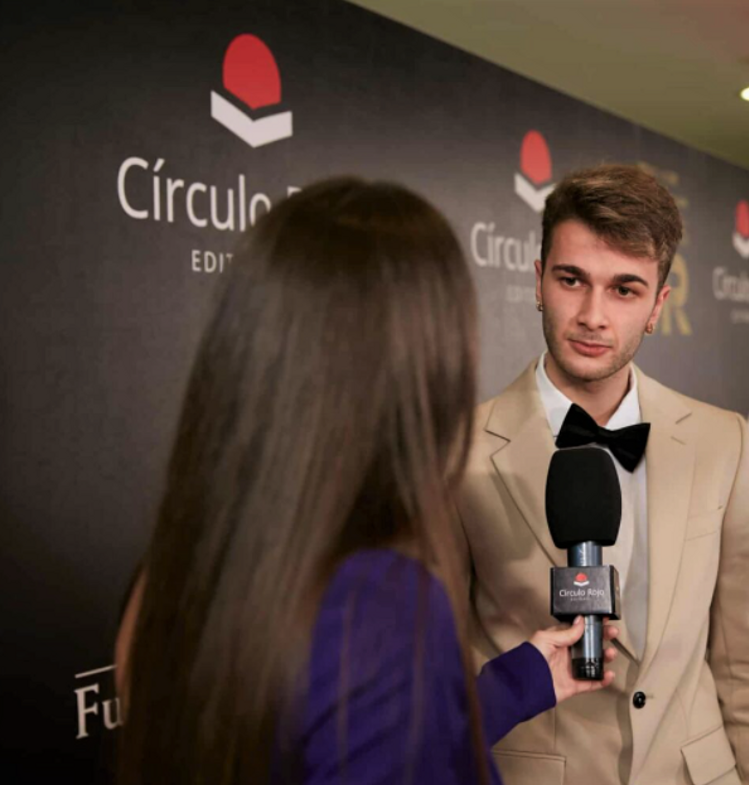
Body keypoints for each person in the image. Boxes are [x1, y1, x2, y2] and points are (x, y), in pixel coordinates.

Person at [114, 178, 619, 785]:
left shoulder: (169, 574)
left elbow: (356, 734)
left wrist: (522, 681)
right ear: (419, 372)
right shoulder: (380, 602)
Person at [453, 165, 749, 785]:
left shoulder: (721, 442)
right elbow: (432, 671)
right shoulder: (455, 451)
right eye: (571, 280)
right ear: (538, 281)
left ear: (659, 304)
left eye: (625, 289)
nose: (592, 314)